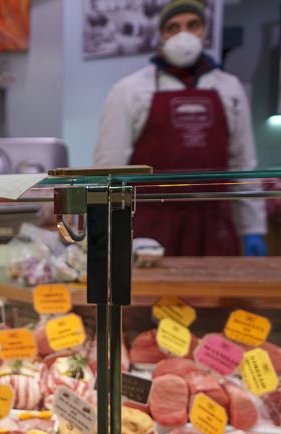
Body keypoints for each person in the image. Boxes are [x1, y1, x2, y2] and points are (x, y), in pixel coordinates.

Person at [94, 0, 267, 257]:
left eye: (192, 25)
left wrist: (253, 226)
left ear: (204, 31)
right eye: (173, 27)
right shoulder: (129, 90)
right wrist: (102, 230)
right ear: (161, 36)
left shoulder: (230, 88)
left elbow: (243, 163)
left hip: (214, 224)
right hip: (151, 226)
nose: (183, 34)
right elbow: (109, 166)